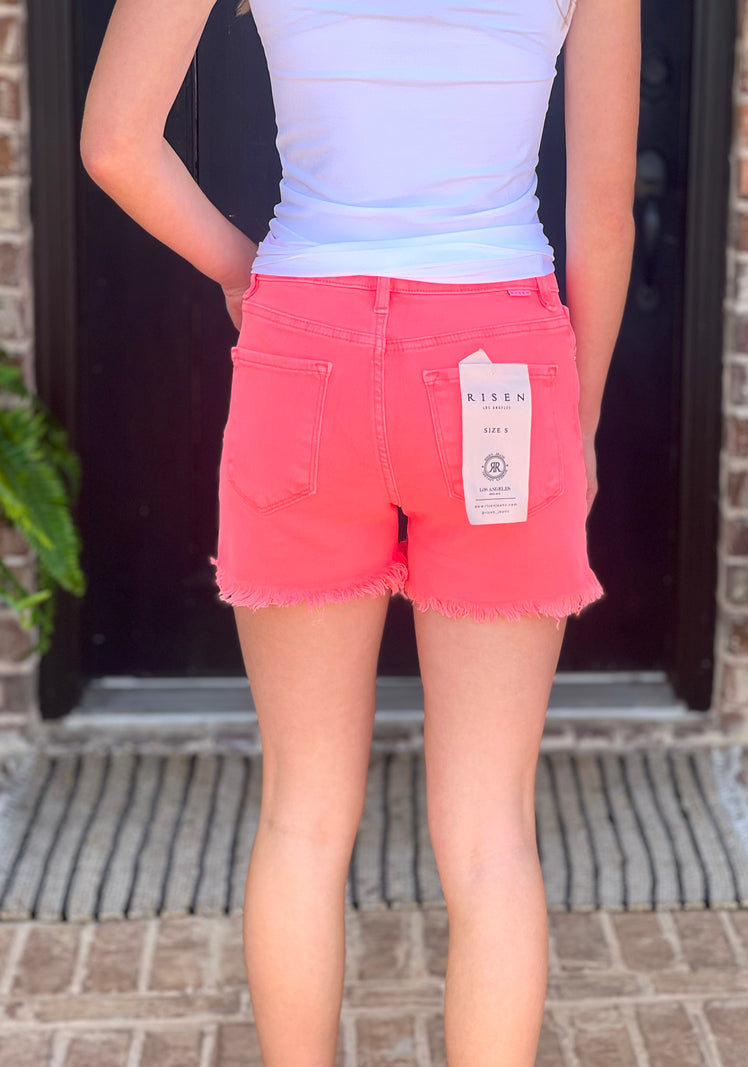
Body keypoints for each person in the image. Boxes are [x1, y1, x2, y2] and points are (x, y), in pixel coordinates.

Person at [80, 0, 640, 1061]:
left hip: (305, 339)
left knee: (300, 817)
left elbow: (114, 142)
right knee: (489, 838)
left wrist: (244, 270)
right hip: (498, 350)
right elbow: (602, 216)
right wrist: (581, 418)